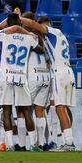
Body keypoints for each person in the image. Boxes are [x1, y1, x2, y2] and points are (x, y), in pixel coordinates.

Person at [0, 13, 44, 151]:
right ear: (20, 24)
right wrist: (26, 33)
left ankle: (9, 146)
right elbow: (40, 50)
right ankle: (33, 145)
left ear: (8, 24)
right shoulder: (28, 38)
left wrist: (1, 28)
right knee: (26, 111)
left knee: (6, 111)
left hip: (5, 77)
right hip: (21, 77)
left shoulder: (3, 36)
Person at [20, 12, 51, 150]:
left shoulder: (26, 37)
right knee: (40, 111)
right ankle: (42, 143)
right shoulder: (44, 38)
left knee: (24, 109)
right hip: (46, 76)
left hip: (33, 76)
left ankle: (26, 144)